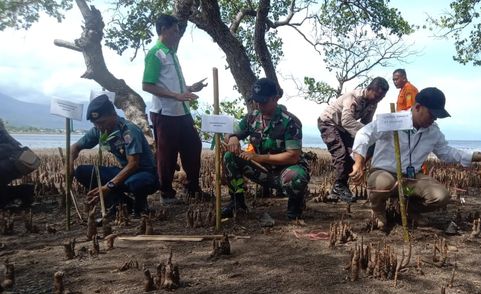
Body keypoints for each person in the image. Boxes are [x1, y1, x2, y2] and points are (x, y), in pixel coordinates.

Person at [349, 87, 481, 230]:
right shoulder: (393, 120)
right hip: (385, 173)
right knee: (382, 183)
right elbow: (365, 133)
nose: (434, 119)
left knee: (441, 196)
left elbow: (446, 152)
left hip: (409, 181)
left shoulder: (433, 131)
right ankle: (378, 210)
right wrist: (358, 162)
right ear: (417, 107)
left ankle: (409, 209)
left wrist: (478, 156)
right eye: (432, 114)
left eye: (437, 116)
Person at [222, 78, 309, 220]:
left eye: (263, 101)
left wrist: (258, 157)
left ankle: (295, 208)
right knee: (229, 157)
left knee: (296, 177)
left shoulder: (290, 122)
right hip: (260, 169)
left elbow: (293, 156)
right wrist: (232, 137)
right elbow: (230, 132)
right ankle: (237, 202)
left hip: (284, 170)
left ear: (276, 98)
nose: (259, 105)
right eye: (256, 101)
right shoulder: (252, 117)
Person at [142, 14, 207, 205]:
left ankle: (192, 188)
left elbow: (173, 84)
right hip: (165, 113)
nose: (178, 33)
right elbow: (147, 85)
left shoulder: (171, 53)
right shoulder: (155, 53)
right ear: (163, 29)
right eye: (175, 29)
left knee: (194, 146)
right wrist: (176, 96)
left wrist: (190, 88)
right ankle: (166, 194)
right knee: (167, 153)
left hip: (182, 111)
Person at [71, 95, 158, 216]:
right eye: (95, 123)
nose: (99, 126)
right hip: (125, 173)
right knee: (81, 172)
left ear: (113, 114)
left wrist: (108, 186)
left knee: (136, 183)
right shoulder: (99, 129)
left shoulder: (128, 130)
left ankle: (141, 207)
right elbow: (75, 147)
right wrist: (67, 165)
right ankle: (121, 204)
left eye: (102, 122)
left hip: (144, 173)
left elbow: (133, 164)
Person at [318, 77, 389, 202]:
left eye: (381, 97)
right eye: (377, 96)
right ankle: (339, 186)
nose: (378, 99)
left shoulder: (373, 104)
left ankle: (339, 186)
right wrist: (366, 133)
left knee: (355, 153)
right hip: (329, 123)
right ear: (369, 89)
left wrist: (371, 138)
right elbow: (347, 121)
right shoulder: (353, 97)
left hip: (343, 127)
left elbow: (367, 122)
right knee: (341, 153)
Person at [0, 119, 37, 208]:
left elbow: (8, 148)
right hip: (12, 162)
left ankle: (22, 192)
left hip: (11, 163)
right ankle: (24, 191)